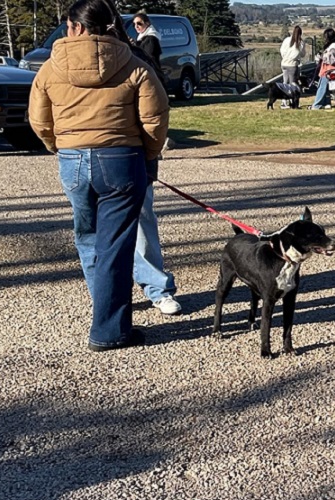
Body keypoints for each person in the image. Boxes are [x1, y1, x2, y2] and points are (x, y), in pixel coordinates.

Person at [28, 0, 169, 351]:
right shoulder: (135, 66)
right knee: (116, 245)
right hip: (122, 159)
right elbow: (155, 120)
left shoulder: (50, 68)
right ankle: (108, 329)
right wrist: (147, 157)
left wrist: (58, 146)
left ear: (74, 27)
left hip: (73, 159)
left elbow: (39, 119)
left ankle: (103, 311)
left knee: (88, 237)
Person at [131, 12, 181, 316]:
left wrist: (151, 154)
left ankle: (155, 287)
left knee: (141, 221)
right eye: (133, 24)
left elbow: (155, 114)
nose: (137, 28)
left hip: (131, 155)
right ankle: (109, 293)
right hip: (84, 155)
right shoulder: (62, 60)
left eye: (139, 24)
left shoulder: (144, 49)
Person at [310, 28, 335, 110]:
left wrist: (320, 57)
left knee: (322, 87)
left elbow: (328, 58)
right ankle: (327, 103)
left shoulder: (331, 47)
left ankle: (317, 105)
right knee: (330, 88)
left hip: (328, 69)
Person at [279, 25, 305, 109]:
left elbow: (282, 50)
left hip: (284, 63)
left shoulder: (286, 40)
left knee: (285, 83)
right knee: (293, 85)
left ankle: (283, 102)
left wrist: (285, 58)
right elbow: (303, 54)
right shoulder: (300, 43)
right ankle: (293, 102)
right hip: (293, 65)